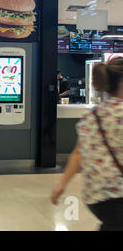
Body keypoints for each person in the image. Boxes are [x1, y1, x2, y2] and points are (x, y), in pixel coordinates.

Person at [51, 58, 123, 231]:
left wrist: (62, 184)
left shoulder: (92, 116)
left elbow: (77, 153)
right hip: (119, 193)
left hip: (95, 197)